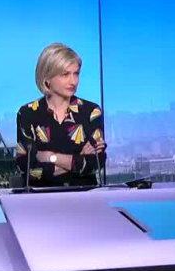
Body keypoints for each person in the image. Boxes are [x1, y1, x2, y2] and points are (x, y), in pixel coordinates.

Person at [15, 43, 106, 188]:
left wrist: (50, 156)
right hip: (41, 198)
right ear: (47, 78)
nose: (73, 81)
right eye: (65, 74)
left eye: (76, 74)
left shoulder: (91, 112)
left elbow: (95, 163)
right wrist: (77, 159)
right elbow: (28, 169)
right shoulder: (28, 114)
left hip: (84, 197)